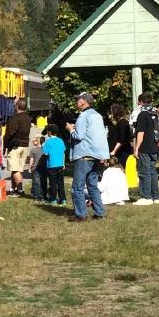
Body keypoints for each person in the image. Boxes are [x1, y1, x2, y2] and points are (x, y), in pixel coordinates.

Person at [66, 90, 110, 221]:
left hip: (84, 154)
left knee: (77, 187)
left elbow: (78, 136)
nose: (76, 102)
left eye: (78, 100)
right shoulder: (97, 115)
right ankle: (99, 212)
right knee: (92, 185)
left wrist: (70, 129)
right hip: (96, 154)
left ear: (82, 101)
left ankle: (80, 215)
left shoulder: (83, 116)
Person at [131, 92, 159, 205]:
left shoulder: (143, 114)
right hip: (154, 146)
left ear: (141, 102)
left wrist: (136, 148)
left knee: (144, 172)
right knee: (153, 172)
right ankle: (155, 196)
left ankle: (146, 197)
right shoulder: (155, 113)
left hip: (144, 146)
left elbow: (140, 133)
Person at [2, 96, 34, 194]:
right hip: (24, 146)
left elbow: (10, 133)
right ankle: (13, 188)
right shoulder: (28, 118)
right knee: (16, 168)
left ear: (17, 106)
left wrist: (5, 143)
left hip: (15, 146)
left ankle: (20, 189)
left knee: (15, 169)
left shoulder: (15, 118)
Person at [40, 124, 67, 205]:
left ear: (49, 132)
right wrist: (63, 163)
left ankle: (53, 199)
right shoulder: (61, 141)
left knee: (53, 183)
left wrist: (42, 145)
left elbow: (45, 153)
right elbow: (63, 153)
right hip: (60, 164)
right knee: (60, 182)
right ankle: (63, 199)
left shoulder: (48, 142)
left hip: (51, 165)